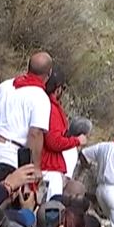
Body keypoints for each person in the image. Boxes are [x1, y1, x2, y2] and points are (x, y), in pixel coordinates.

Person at [0, 52, 54, 170]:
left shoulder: (7, 84)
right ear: (49, 73)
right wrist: (34, 167)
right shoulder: (40, 97)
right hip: (4, 150)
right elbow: (35, 134)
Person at [39, 70, 86, 198]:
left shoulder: (44, 103)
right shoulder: (51, 108)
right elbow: (53, 142)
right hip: (47, 165)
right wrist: (76, 141)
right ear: (58, 88)